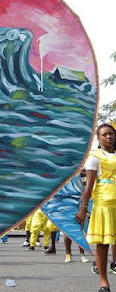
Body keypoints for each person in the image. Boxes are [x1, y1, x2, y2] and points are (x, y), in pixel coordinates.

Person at [77, 123, 116, 292]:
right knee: (103, 244)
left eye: (111, 134)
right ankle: (104, 281)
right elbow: (88, 186)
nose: (108, 137)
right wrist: (83, 208)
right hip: (103, 205)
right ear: (98, 138)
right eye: (104, 135)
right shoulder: (94, 157)